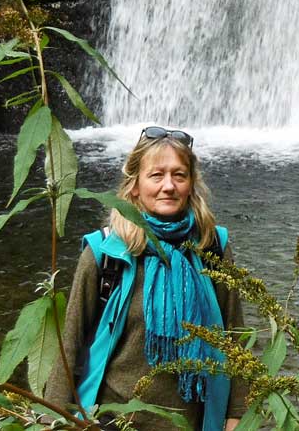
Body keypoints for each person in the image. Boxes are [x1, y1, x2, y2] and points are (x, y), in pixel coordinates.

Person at [45, 126, 245, 430]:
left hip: (193, 421)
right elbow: (69, 342)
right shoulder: (105, 253)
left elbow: (235, 336)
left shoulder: (212, 246)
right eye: (156, 175)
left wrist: (237, 416)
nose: (169, 186)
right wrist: (51, 420)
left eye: (179, 175)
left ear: (191, 184)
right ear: (135, 185)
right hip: (114, 419)